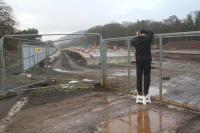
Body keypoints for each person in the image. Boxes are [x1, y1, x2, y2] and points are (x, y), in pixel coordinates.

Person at [131, 29, 154, 96]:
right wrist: (147, 33)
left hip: (139, 61)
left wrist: (137, 35)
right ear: (145, 34)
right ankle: (146, 92)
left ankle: (139, 91)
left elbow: (132, 41)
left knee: (139, 76)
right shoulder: (148, 39)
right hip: (147, 60)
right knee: (147, 76)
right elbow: (151, 32)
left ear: (139, 34)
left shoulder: (135, 40)